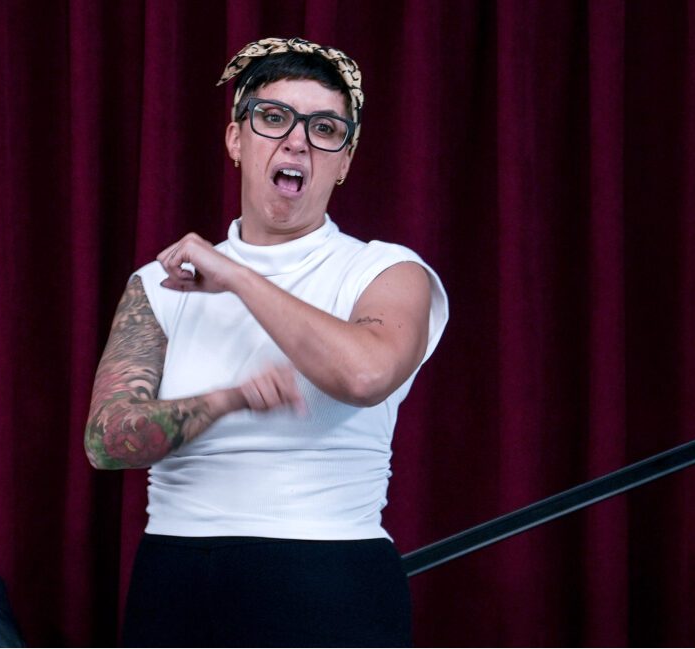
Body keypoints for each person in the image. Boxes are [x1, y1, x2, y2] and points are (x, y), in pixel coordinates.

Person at [84, 37, 449, 647]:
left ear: (345, 160)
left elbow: (364, 376)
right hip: (177, 580)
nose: (297, 141)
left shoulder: (387, 273)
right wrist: (230, 400)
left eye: (325, 128)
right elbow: (108, 441)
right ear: (235, 140)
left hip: (331, 579)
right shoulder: (159, 282)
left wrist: (238, 276)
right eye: (273, 118)